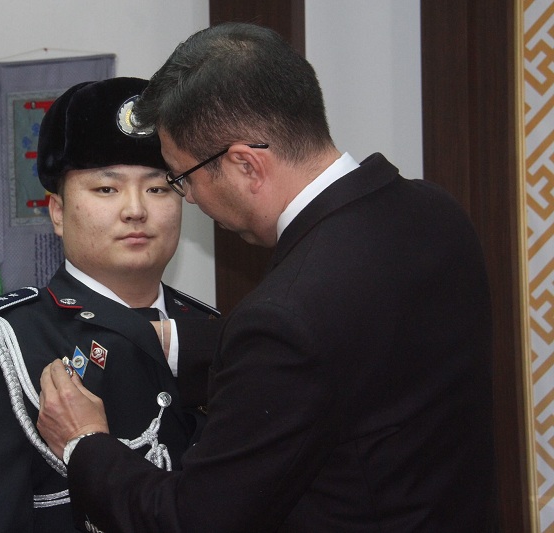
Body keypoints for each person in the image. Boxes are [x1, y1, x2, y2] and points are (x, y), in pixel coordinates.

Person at [36, 23, 498, 532]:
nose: (190, 199)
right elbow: (360, 352)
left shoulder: (286, 317)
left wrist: (84, 443)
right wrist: (173, 343)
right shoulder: (436, 213)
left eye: (180, 179)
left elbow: (192, 520)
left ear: (245, 165)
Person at [0, 77, 220, 533]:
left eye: (159, 189)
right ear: (57, 211)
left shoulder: (209, 330)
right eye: (106, 189)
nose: (135, 210)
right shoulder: (1, 343)